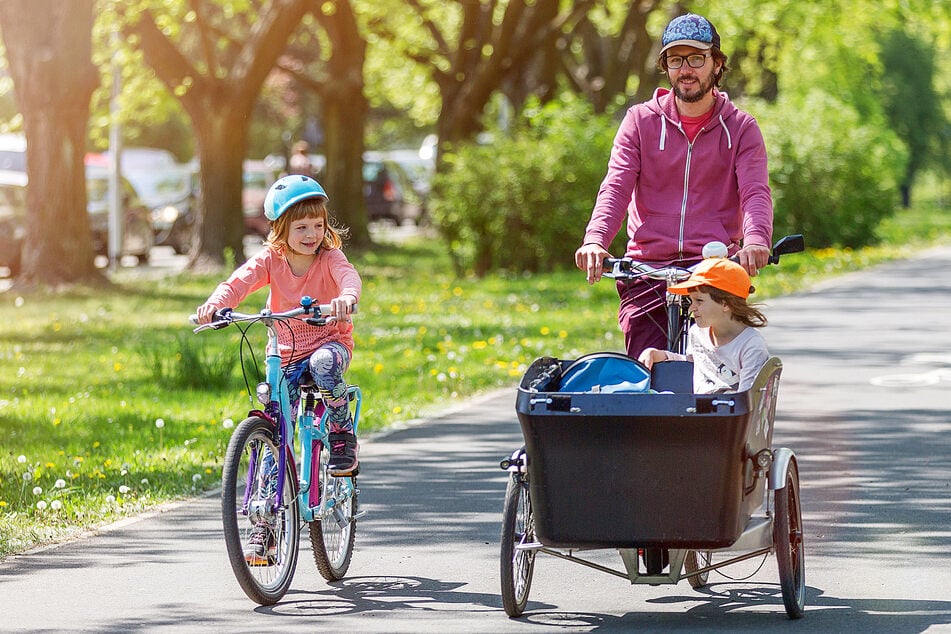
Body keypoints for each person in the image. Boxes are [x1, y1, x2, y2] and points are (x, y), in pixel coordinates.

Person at [574, 12, 774, 359]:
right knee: (646, 369)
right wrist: (596, 240)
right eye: (676, 59)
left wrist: (756, 240)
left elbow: (755, 192)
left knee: (717, 373)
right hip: (647, 267)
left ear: (717, 64)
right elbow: (616, 185)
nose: (687, 69)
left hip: (711, 266)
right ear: (665, 66)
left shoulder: (741, 128)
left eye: (697, 58)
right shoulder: (640, 121)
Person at [196, 175, 361, 562]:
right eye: (301, 227)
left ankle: (340, 432)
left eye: (318, 225)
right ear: (279, 230)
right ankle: (264, 530)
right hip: (283, 351)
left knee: (323, 366)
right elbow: (239, 282)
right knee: (275, 432)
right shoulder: (271, 260)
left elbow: (349, 278)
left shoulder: (329, 258)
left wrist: (346, 298)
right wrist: (215, 304)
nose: (311, 234)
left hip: (328, 343)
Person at [638, 257, 768, 393]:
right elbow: (695, 362)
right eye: (691, 300)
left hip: (729, 412)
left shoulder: (751, 346)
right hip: (698, 411)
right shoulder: (697, 333)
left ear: (726, 304)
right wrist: (660, 355)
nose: (692, 308)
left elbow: (748, 402)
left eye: (699, 301)